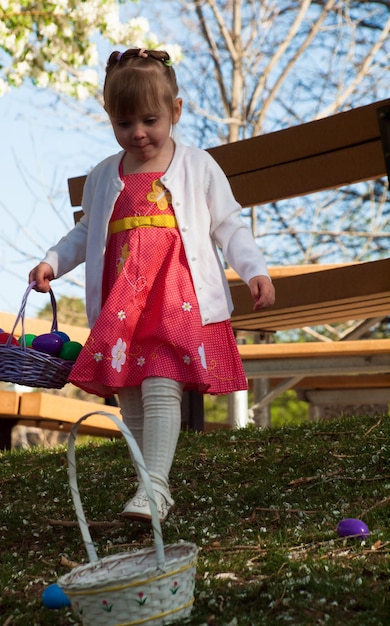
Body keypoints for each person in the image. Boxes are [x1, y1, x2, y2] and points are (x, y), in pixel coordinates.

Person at [29, 47, 275, 523]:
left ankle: (157, 487)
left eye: (150, 120)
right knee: (131, 391)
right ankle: (147, 483)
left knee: (162, 381)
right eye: (124, 124)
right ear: (110, 119)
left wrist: (254, 270)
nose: (138, 133)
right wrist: (52, 262)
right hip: (124, 302)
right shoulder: (104, 175)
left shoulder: (198, 165)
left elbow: (228, 224)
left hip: (173, 295)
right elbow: (86, 232)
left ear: (175, 112)